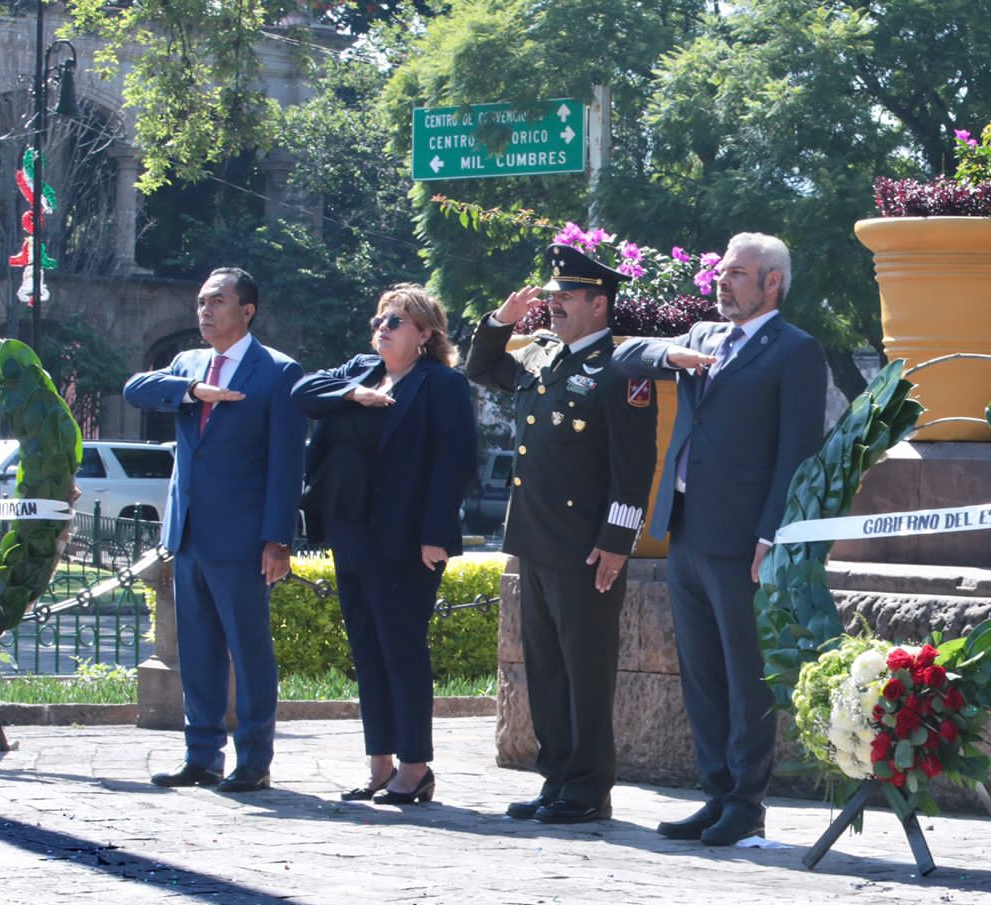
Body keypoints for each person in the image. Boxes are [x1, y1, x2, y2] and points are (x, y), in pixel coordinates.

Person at [614, 233, 826, 846]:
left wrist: (772, 533)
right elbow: (626, 356)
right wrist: (669, 359)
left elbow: (797, 453)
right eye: (722, 272)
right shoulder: (701, 338)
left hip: (744, 539)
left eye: (738, 274)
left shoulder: (796, 351)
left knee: (744, 672)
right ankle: (713, 792)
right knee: (700, 671)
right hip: (686, 529)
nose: (722, 282)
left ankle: (744, 801)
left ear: (772, 284)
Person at [467, 245, 657, 824]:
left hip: (584, 548)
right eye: (551, 296)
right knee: (544, 668)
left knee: (586, 669)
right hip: (535, 539)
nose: (552, 305)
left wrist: (618, 543)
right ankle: (556, 778)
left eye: (565, 297)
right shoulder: (542, 356)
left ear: (599, 305)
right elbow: (482, 369)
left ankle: (589, 788)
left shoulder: (621, 371)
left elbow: (635, 465)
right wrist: (499, 323)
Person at [292, 284, 477, 806]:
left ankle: (415, 767)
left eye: (395, 321)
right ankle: (380, 764)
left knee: (402, 651)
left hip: (406, 539)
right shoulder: (357, 371)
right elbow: (300, 394)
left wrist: (436, 535)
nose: (383, 328)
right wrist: (354, 394)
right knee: (367, 651)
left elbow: (454, 463)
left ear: (424, 334)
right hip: (350, 531)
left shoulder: (441, 385)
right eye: (379, 319)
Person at [123, 267, 306, 793]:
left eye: (217, 301)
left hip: (245, 538)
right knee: (197, 649)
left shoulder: (277, 371)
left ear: (246, 310)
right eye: (201, 301)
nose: (204, 310)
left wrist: (278, 539)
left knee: (248, 651)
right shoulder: (187, 363)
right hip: (189, 534)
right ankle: (202, 756)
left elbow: (285, 463)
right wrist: (193, 390)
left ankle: (254, 759)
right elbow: (136, 388)